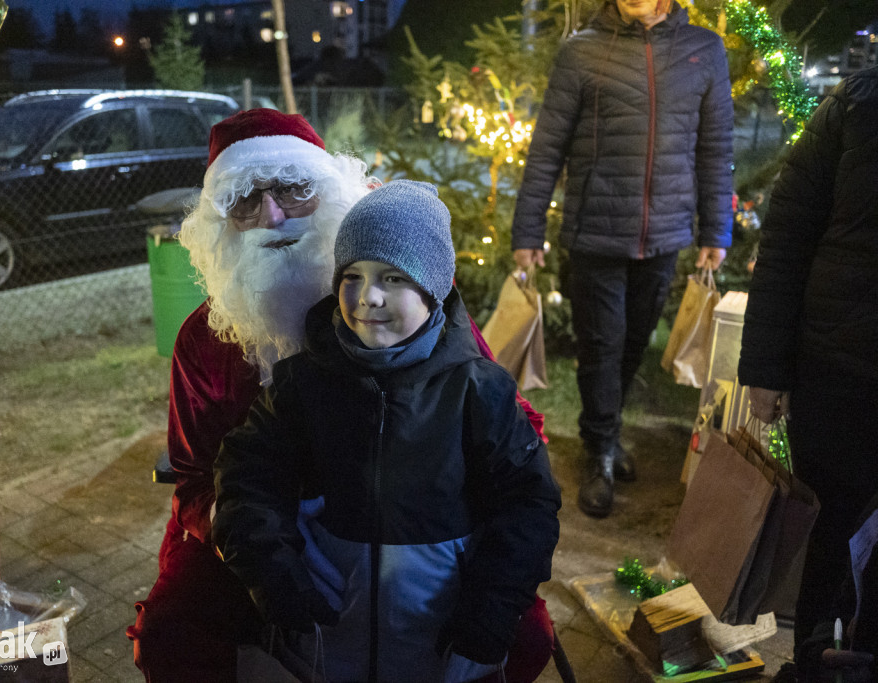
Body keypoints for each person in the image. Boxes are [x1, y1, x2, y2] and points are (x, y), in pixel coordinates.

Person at [127, 109, 556, 682]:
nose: (272, 216)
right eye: (245, 200)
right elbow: (198, 476)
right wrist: (269, 546)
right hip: (250, 525)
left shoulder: (413, 303)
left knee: (523, 636)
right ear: (220, 224)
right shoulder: (205, 342)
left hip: (417, 529)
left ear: (332, 195)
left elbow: (511, 434)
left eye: (294, 189)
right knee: (174, 634)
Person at [212, 180, 562, 682]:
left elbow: (529, 503)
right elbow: (247, 478)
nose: (366, 297)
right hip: (326, 640)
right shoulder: (301, 384)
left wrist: (492, 610)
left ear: (432, 287)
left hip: (440, 640)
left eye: (393, 277)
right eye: (352, 274)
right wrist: (274, 574)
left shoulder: (477, 390)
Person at [510, 0, 734, 517]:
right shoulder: (581, 52)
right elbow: (547, 148)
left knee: (633, 342)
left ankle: (607, 436)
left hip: (666, 232)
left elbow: (716, 146)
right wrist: (529, 230)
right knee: (603, 346)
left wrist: (715, 227)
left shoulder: (705, 50)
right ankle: (599, 452)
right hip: (595, 232)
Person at [738, 65, 878, 682]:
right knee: (834, 532)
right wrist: (766, 368)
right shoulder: (858, 103)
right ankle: (813, 665)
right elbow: (788, 235)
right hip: (840, 371)